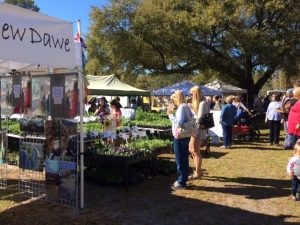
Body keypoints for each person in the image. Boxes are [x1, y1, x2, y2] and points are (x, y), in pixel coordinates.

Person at [167, 90, 193, 190]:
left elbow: (178, 123)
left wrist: (170, 115)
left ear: (177, 98)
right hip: (186, 135)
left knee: (180, 159)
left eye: (174, 99)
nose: (173, 101)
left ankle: (181, 182)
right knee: (184, 159)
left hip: (180, 136)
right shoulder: (186, 106)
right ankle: (183, 179)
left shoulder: (182, 107)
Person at [188, 86, 209, 179]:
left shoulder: (202, 103)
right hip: (198, 130)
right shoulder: (203, 102)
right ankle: (197, 170)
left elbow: (199, 118)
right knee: (193, 150)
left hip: (197, 130)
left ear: (195, 94)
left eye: (191, 94)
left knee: (195, 151)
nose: (190, 96)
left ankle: (198, 172)